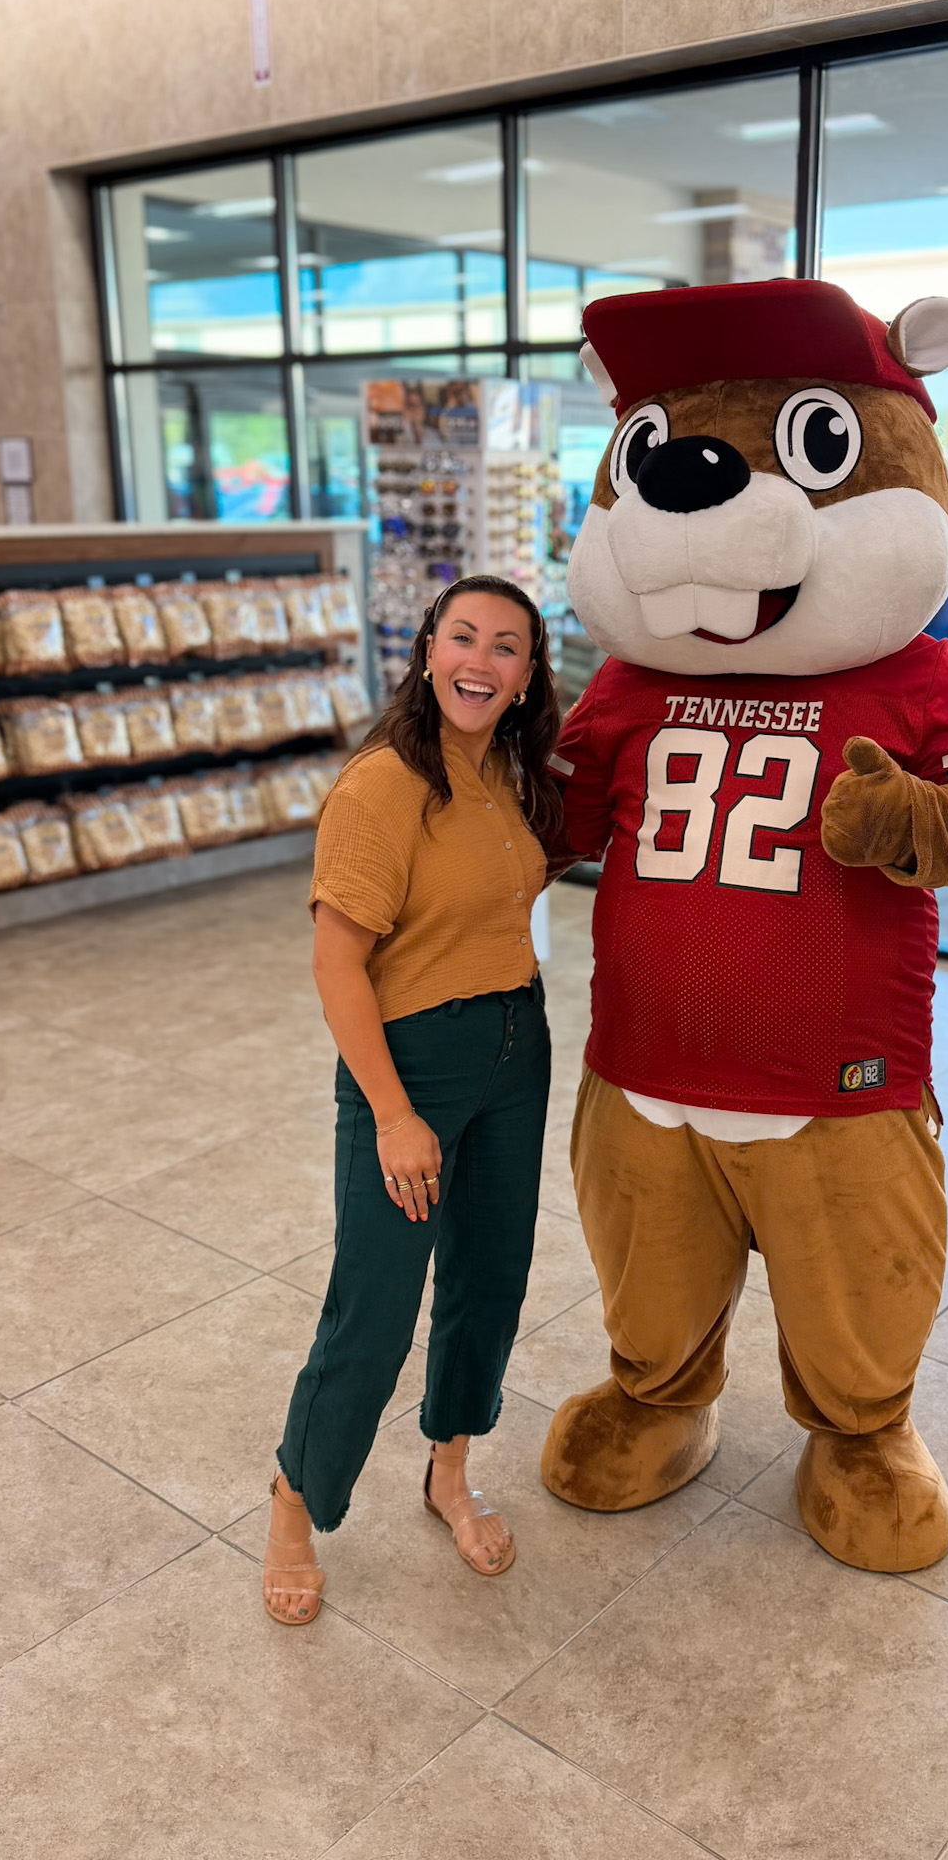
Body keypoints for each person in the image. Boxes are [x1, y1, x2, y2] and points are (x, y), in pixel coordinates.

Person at [263, 576, 563, 1624]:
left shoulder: (511, 774)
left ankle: (449, 1471)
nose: (481, 662)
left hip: (516, 1048)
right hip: (412, 1069)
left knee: (490, 1279)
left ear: (527, 675)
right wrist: (393, 1114)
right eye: (463, 637)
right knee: (376, 1306)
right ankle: (294, 1505)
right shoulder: (381, 788)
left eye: (506, 647)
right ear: (428, 649)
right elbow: (336, 963)